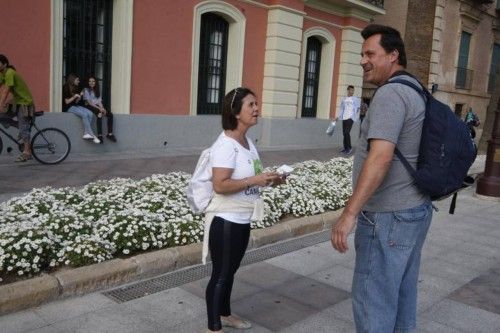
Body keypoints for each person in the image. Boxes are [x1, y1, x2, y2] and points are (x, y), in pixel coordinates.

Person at [331, 24, 432, 333]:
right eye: (362, 54)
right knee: (401, 296)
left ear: (393, 55)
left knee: (373, 301)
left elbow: (381, 157)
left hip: (388, 216)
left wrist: (349, 215)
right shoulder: (415, 89)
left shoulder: (390, 94)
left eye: (370, 54)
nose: (363, 60)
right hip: (414, 209)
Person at [204, 87, 283, 333]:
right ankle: (213, 328)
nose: (257, 108)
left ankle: (225, 314)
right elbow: (220, 185)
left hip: (242, 217)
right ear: (236, 112)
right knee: (221, 274)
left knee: (230, 272)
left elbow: (252, 176)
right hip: (225, 220)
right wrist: (254, 181)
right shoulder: (226, 144)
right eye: (251, 105)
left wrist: (271, 179)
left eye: (256, 104)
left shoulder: (247, 142)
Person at [0, 55, 35, 162]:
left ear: (4, 64)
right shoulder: (2, 74)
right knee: (1, 116)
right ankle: (20, 127)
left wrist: (1, 104)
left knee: (24, 128)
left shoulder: (10, 72)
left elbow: (6, 90)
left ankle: (27, 153)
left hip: (25, 103)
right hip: (17, 102)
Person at [63, 74, 100, 144]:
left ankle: (86, 133)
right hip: (68, 107)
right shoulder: (66, 87)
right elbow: (67, 102)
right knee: (84, 115)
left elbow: (76, 101)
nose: (78, 81)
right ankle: (92, 135)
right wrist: (75, 97)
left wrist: (79, 97)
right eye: (77, 80)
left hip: (75, 105)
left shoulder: (75, 87)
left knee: (90, 113)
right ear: (73, 80)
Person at [82, 76, 117, 143]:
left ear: (96, 82)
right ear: (88, 82)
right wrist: (99, 109)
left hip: (96, 106)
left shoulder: (97, 90)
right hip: (89, 106)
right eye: (90, 81)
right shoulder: (85, 90)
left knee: (110, 114)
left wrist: (103, 108)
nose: (91, 83)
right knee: (99, 114)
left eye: (93, 81)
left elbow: (99, 101)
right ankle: (100, 135)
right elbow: (89, 103)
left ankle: (110, 134)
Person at [335, 85, 361, 155]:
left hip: (350, 118)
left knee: (347, 132)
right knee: (344, 133)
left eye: (353, 90)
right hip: (344, 117)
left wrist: (355, 115)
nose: (352, 92)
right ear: (348, 90)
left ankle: (349, 147)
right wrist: (338, 116)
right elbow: (341, 109)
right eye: (351, 90)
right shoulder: (344, 99)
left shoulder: (355, 99)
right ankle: (345, 147)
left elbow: (358, 107)